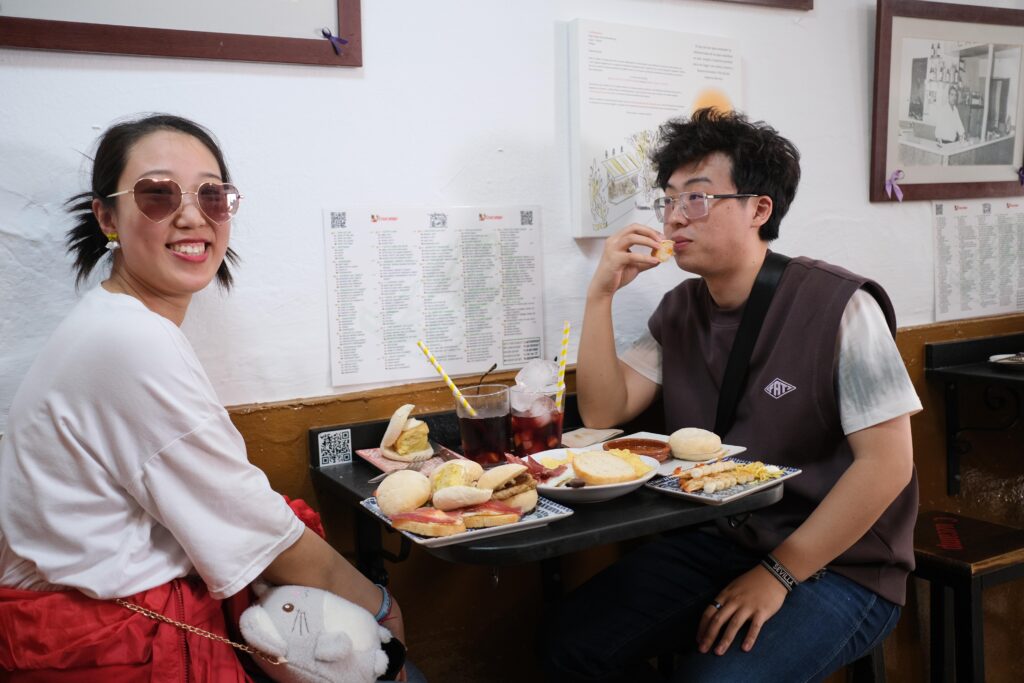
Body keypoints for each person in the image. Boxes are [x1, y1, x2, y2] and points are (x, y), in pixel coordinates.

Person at [0, 114, 408, 681]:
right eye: (158, 193)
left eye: (211, 195)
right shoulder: (130, 341)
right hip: (109, 644)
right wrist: (381, 606)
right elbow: (253, 528)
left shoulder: (118, 323)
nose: (192, 214)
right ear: (107, 217)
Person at [544, 108, 920, 682]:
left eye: (696, 199)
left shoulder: (840, 306)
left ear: (758, 209)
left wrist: (779, 573)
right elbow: (603, 410)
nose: (673, 220)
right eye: (667, 200)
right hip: (722, 540)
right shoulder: (682, 309)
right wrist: (600, 295)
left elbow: (889, 465)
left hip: (843, 565)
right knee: (569, 642)